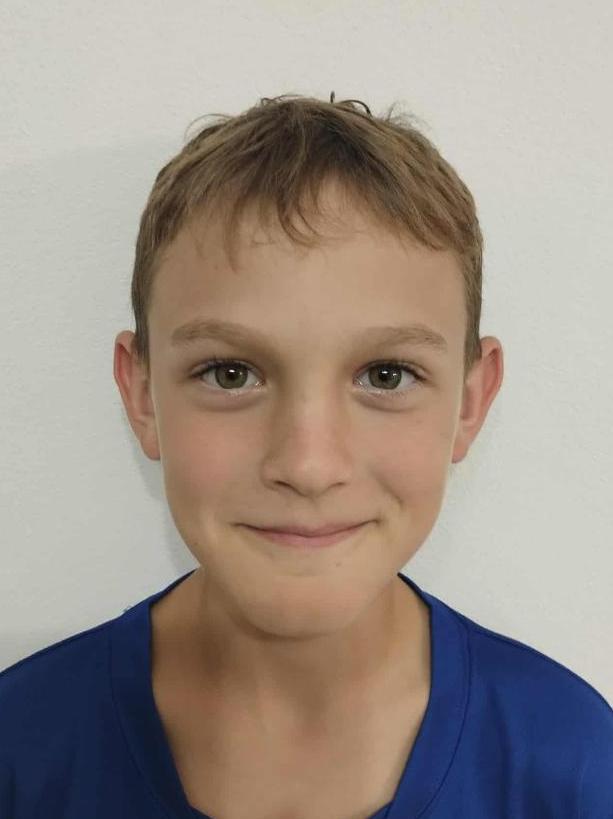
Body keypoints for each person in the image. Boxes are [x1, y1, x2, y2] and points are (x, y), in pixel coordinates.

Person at [1, 93, 611, 819]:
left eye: (386, 375)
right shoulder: (22, 751)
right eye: (231, 373)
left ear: (470, 402)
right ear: (141, 394)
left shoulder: (573, 765)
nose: (308, 465)